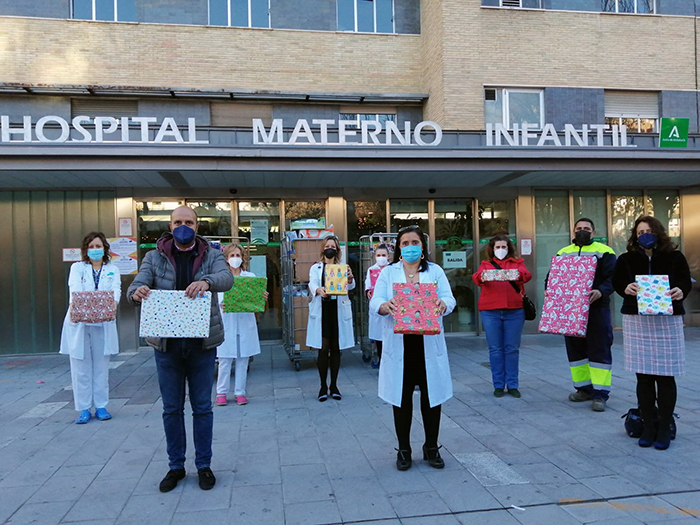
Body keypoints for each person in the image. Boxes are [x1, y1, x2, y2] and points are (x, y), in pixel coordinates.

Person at [127, 206, 233, 493]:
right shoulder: (154, 256)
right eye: (178, 222)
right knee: (171, 409)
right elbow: (137, 284)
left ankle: (203, 465)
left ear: (197, 226)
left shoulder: (211, 254)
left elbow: (227, 278)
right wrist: (136, 293)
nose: (183, 226)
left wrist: (207, 281)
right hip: (167, 346)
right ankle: (175, 466)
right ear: (170, 225)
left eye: (189, 222)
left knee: (202, 408)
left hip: (201, 344)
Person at [370, 225, 456, 471]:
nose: (409, 247)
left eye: (414, 242)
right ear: (398, 248)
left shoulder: (435, 271)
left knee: (432, 399)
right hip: (401, 344)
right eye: (405, 243)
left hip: (427, 343)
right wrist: (385, 305)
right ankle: (404, 449)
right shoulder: (388, 273)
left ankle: (431, 447)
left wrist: (443, 303)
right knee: (402, 398)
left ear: (422, 246)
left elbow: (450, 298)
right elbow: (376, 299)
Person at [613, 216, 691, 450]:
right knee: (644, 376)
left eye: (648, 230)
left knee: (666, 376)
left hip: (667, 320)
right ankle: (648, 426)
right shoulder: (626, 259)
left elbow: (685, 282)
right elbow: (618, 282)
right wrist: (625, 288)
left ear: (658, 233)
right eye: (639, 232)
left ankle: (665, 426)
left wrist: (680, 291)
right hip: (637, 320)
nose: (643, 235)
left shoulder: (675, 257)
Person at [552, 218, 616, 412]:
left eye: (586, 229)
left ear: (593, 232)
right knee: (575, 351)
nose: (582, 231)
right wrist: (550, 289)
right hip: (570, 310)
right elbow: (552, 276)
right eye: (579, 228)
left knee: (599, 350)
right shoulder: (563, 253)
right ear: (573, 231)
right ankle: (583, 389)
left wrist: (601, 291)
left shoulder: (605, 251)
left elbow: (614, 277)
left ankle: (600, 394)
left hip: (596, 308)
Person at [59, 232, 121, 424]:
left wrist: (108, 306)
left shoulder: (113, 268)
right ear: (86, 250)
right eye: (91, 247)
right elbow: (75, 291)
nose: (95, 250)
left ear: (105, 249)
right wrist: (95, 305)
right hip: (79, 322)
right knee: (80, 366)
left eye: (98, 246)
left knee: (102, 366)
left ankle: (101, 406)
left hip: (103, 322)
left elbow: (115, 292)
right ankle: (84, 408)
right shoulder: (77, 268)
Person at [472, 235, 531, 398]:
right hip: (490, 311)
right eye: (497, 247)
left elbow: (526, 275)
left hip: (514, 311)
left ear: (509, 248)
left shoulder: (518, 264)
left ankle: (512, 384)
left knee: (512, 349)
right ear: (492, 249)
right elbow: (476, 278)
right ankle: (498, 385)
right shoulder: (486, 265)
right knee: (495, 349)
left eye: (503, 247)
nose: (500, 250)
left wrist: (516, 274)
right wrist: (482, 277)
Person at [215, 243, 268, 407]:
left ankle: (240, 392)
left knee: (243, 359)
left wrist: (262, 297)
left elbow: (255, 299)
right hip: (227, 321)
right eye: (232, 256)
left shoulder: (250, 277)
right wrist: (221, 304)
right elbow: (214, 299)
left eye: (238, 255)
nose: (235, 259)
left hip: (245, 322)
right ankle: (221, 392)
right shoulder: (221, 278)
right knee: (224, 359)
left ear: (243, 258)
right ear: (226, 259)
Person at [307, 236, 355, 402]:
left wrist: (350, 278)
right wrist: (318, 289)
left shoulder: (343, 267)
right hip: (323, 310)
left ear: (337, 249)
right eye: (327, 246)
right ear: (323, 249)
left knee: (336, 348)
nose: (330, 249)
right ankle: (322, 386)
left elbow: (351, 286)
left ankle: (334, 385)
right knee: (323, 348)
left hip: (338, 310)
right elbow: (312, 283)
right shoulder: (316, 268)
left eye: (332, 246)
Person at [365, 244, 391, 368]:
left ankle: (391, 364)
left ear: (388, 256)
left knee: (390, 337)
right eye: (379, 255)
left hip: (391, 306)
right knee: (379, 337)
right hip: (377, 307)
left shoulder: (392, 269)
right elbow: (368, 285)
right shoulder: (371, 270)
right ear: (375, 256)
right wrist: (368, 291)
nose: (381, 258)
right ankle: (381, 362)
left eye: (383, 255)